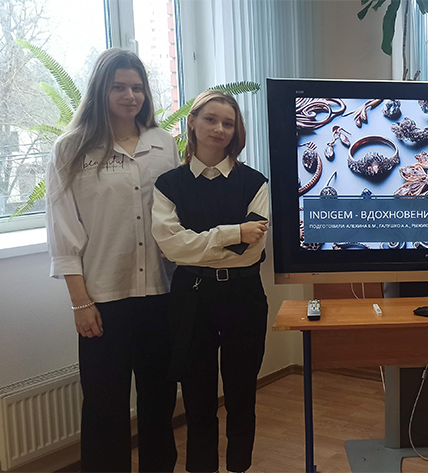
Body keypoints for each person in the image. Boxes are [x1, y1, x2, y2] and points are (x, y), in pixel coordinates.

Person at [46, 48, 179, 472]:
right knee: (105, 410)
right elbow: (63, 233)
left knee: (159, 403)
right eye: (119, 87)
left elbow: (176, 216)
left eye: (137, 87)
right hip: (102, 300)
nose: (130, 96)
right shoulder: (70, 149)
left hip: (160, 293)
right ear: (101, 90)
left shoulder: (164, 144)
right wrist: (80, 303)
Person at [151, 90, 269, 473]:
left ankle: (239, 467)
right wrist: (232, 232)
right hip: (191, 298)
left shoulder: (255, 182)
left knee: (241, 395)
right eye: (211, 119)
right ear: (192, 123)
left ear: (236, 131)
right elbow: (171, 247)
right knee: (197, 399)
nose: (219, 129)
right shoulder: (169, 185)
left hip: (244, 295)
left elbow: (250, 251)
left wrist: (198, 244)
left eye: (228, 123)